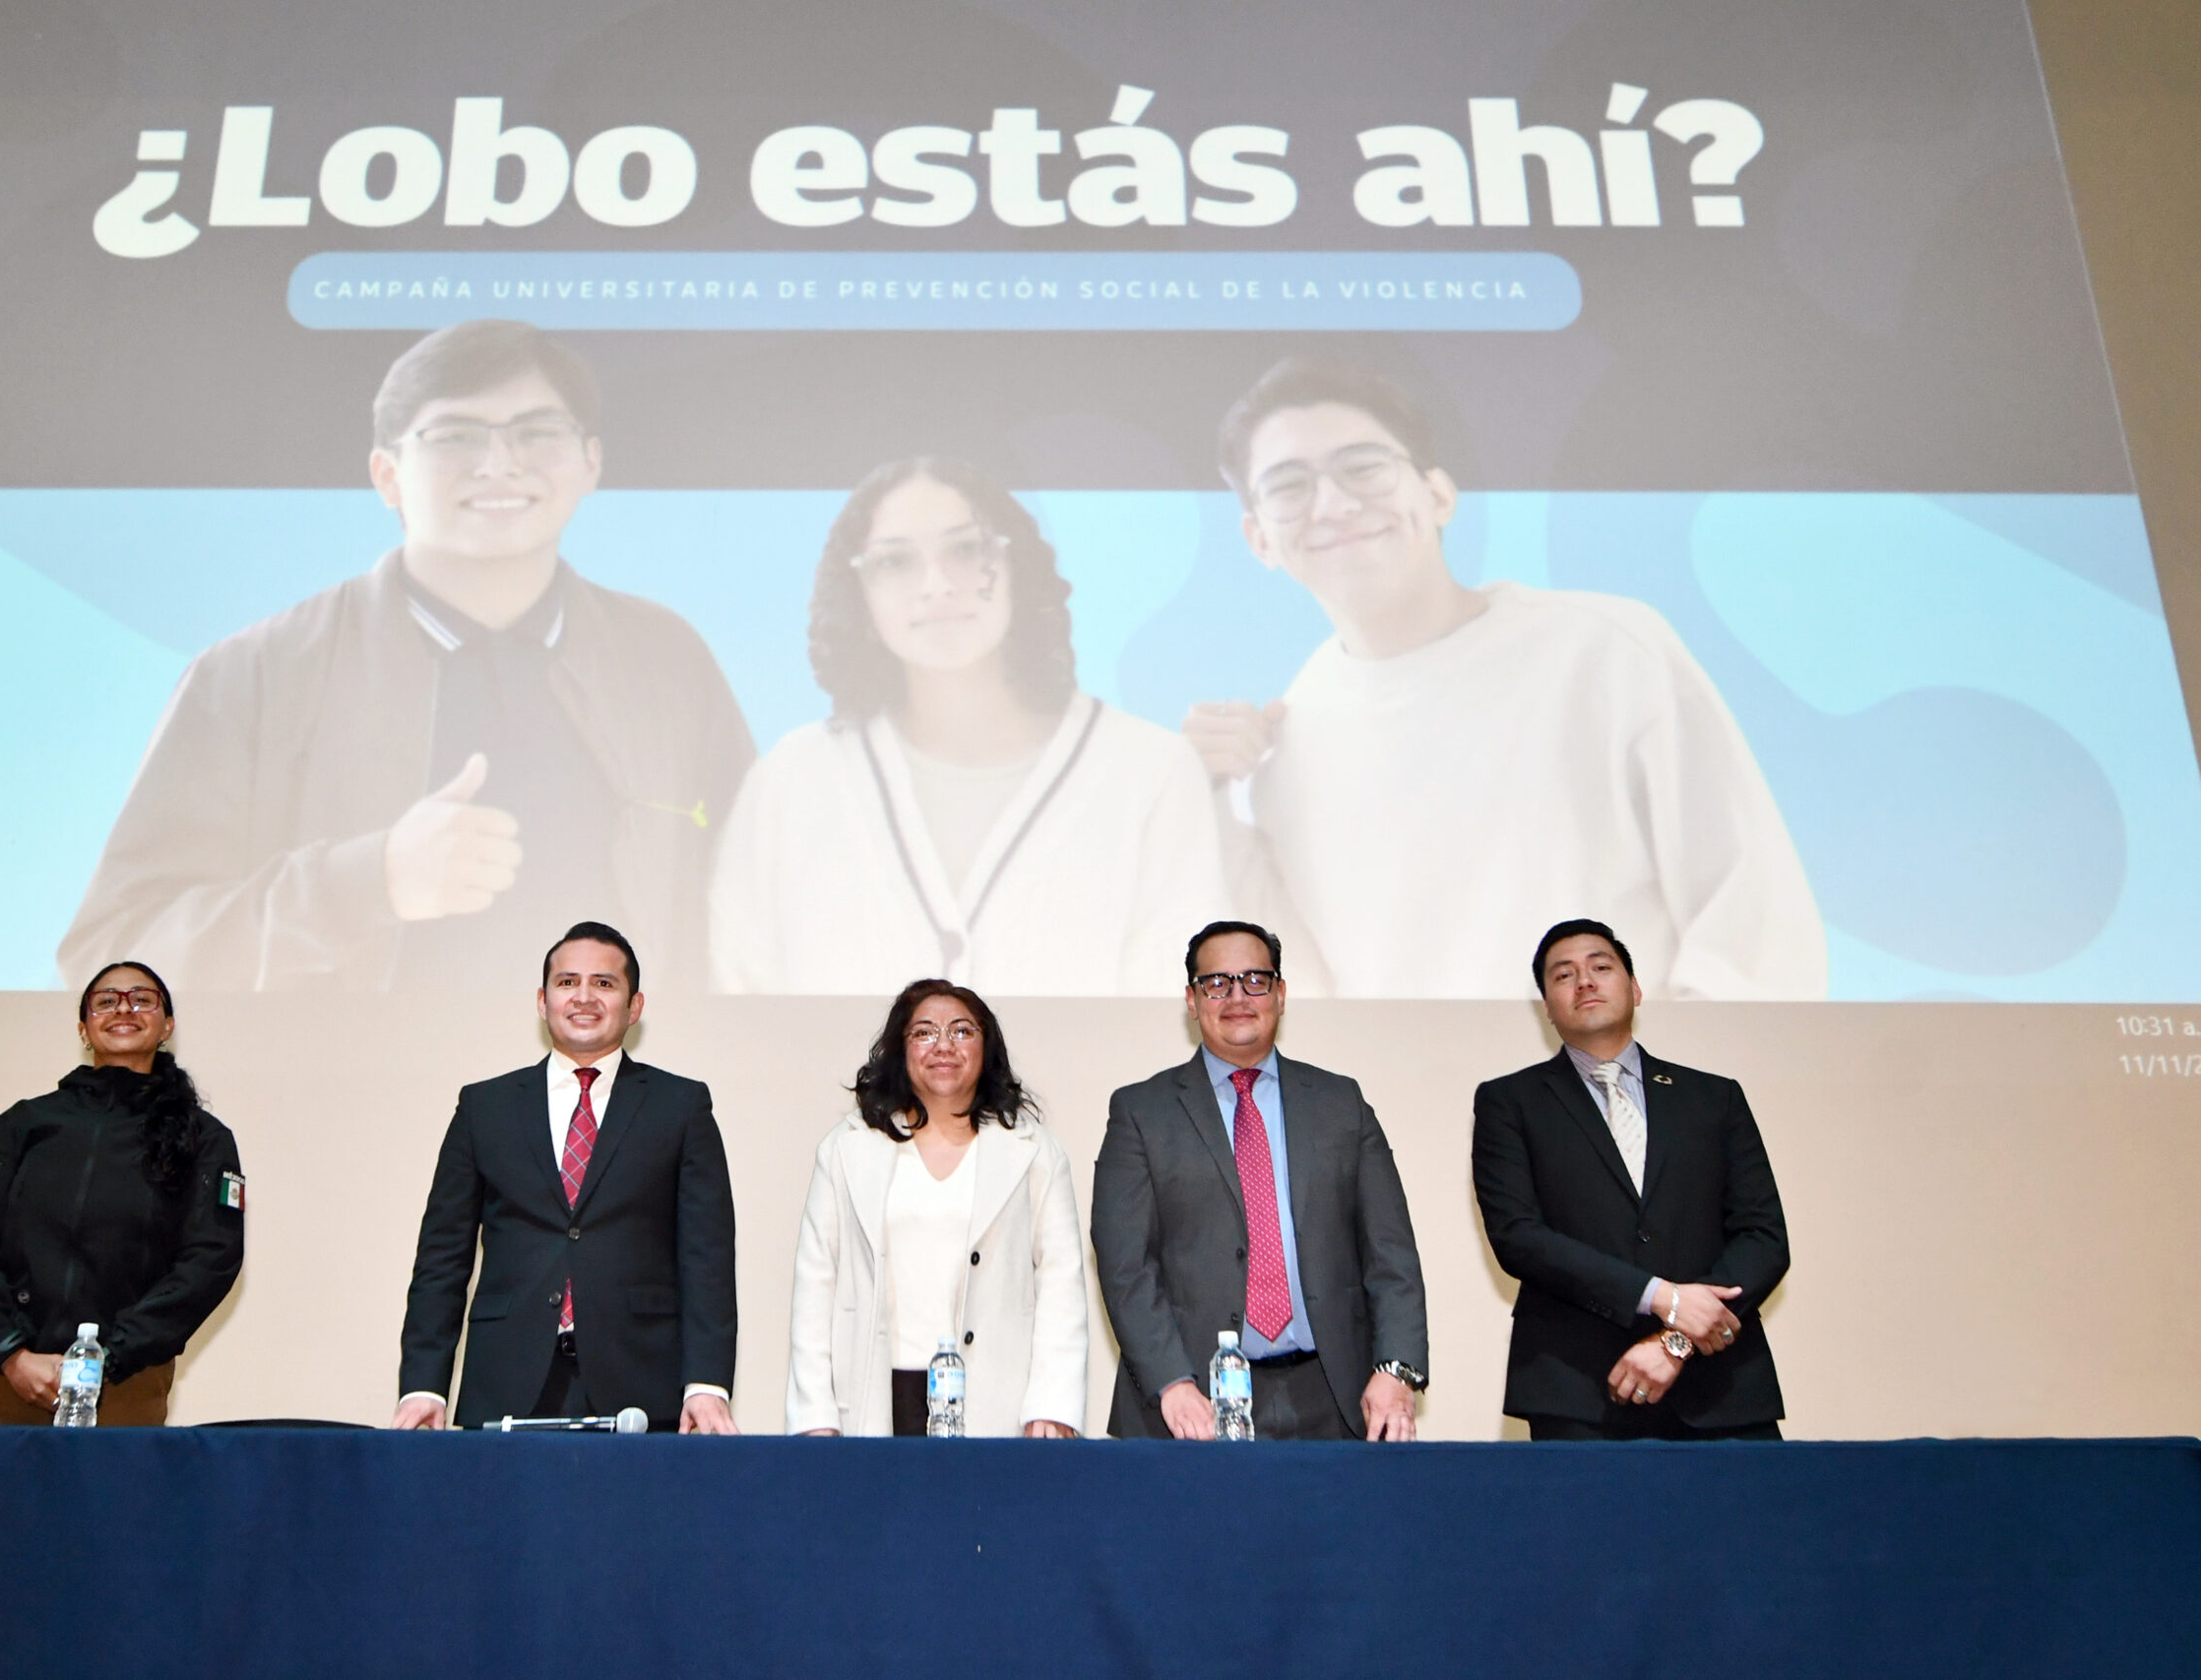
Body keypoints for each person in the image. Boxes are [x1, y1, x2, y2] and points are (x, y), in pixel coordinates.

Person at [60, 320, 754, 994]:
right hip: (347, 1101)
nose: (500, 463)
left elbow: (755, 908)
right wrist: (369, 881)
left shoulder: (667, 661)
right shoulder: (253, 675)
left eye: (538, 432)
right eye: (455, 435)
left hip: (620, 1105)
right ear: (387, 474)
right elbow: (113, 960)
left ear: (590, 463)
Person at [1184, 358, 1827, 1000]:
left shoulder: (1606, 650)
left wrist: (1658, 1097)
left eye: (1364, 467)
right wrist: (1195, 789)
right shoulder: (1282, 753)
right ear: (1258, 537)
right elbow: (1307, 1002)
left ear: (1438, 494)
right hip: (1418, 1101)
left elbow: (1756, 932)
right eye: (1289, 486)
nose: (1334, 503)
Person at [711, 456, 1227, 995]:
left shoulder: (1149, 771)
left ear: (1015, 567)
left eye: (965, 550)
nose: (936, 586)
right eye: (895, 562)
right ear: (858, 591)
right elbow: (743, 996)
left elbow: (1171, 1011)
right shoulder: (791, 781)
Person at [393, 920, 738, 1432]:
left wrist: (706, 1384)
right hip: (506, 1378)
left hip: (642, 1384)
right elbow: (442, 1257)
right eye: (567, 982)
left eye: (604, 983)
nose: (584, 997)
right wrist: (424, 1384)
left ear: (634, 1006)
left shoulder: (681, 1106)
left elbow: (706, 1257)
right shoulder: (484, 1107)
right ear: (542, 1000)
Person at [1092, 920, 1428, 1440]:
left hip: (1337, 1396)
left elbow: (1392, 1253)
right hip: (1194, 1404)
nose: (1237, 996)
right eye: (1217, 983)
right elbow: (1125, 1266)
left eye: (1254, 979)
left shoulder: (1341, 1104)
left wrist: (1396, 1369)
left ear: (1281, 993)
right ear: (1191, 999)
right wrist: (1172, 1384)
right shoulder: (1141, 1112)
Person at [1472, 918, 1790, 1440]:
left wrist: (1676, 1340)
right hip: (1578, 1389)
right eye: (1564, 975)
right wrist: (1660, 1296)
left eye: (1601, 967)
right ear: (1546, 1008)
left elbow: (1763, 1238)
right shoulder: (1509, 1102)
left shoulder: (1713, 1097)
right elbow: (1519, 1237)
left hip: (1723, 1389)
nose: (1586, 982)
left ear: (1636, 989)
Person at [0, 961, 244, 1425]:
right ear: (84, 1028)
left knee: (112, 1501)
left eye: (142, 999)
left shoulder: (205, 1138)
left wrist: (108, 1357)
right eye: (105, 1001)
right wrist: (11, 1352)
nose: (124, 1008)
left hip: (124, 1387)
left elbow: (209, 1260)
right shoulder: (24, 1123)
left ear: (167, 1025)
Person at [786, 979, 1088, 1437]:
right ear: (900, 1050)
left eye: (962, 1031)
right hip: (876, 1392)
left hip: (997, 1397)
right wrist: (814, 1414)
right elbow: (815, 1282)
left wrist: (1052, 1404)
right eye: (924, 1032)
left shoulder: (1034, 1152)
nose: (943, 1045)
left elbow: (1061, 1280)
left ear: (986, 1050)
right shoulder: (847, 1148)